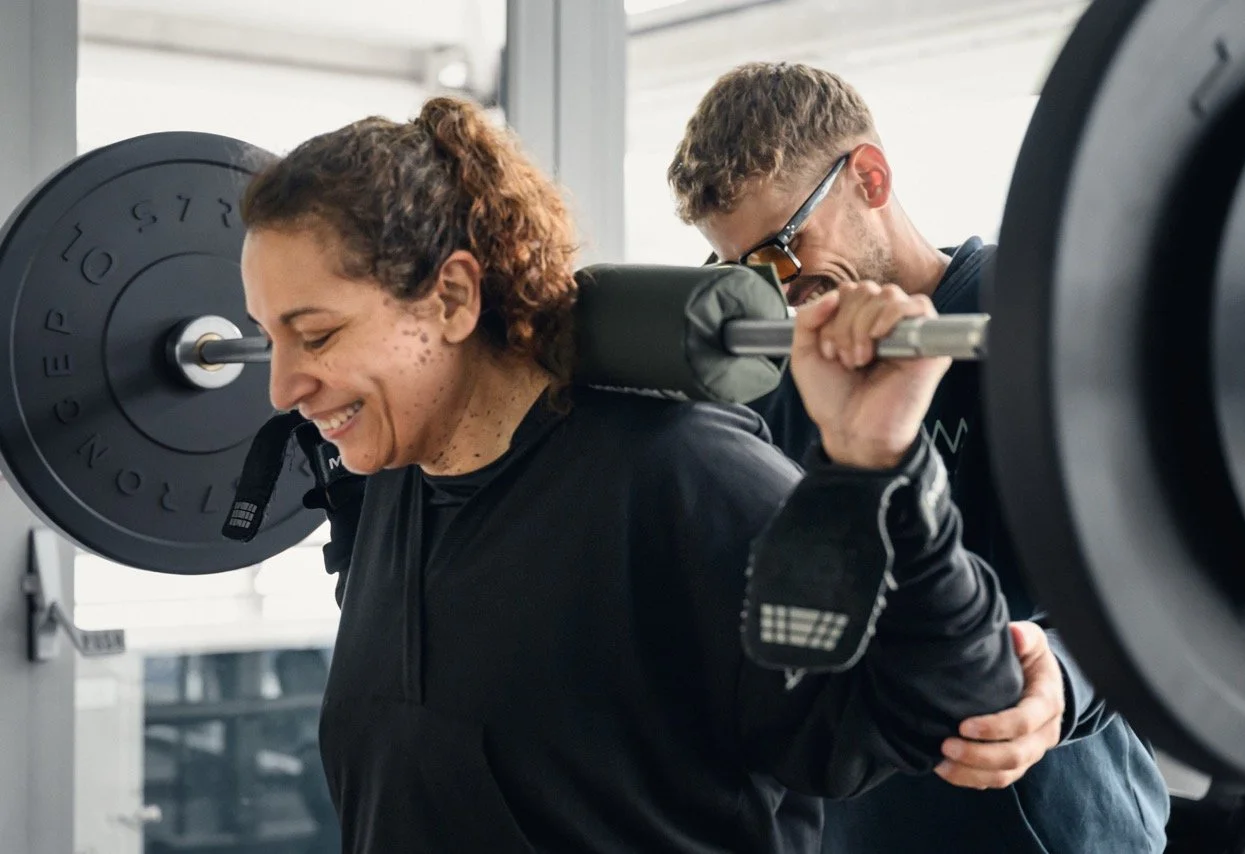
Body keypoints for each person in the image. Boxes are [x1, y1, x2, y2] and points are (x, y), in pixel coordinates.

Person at [236, 94, 1029, 853]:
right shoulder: (392, 483)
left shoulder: (685, 480)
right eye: (269, 336)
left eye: (317, 334)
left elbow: (949, 707)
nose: (282, 386)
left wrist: (879, 460)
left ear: (451, 297)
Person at [667, 61, 1172, 853]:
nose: (776, 292)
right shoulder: (774, 379)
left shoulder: (1033, 314)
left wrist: (1064, 687)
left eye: (783, 249)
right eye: (742, 271)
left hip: (1054, 824)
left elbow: (1153, 583)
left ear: (869, 176)